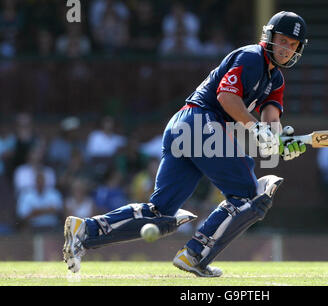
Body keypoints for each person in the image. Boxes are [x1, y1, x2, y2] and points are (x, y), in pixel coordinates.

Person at [63, 11, 308, 277]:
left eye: (293, 45)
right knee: (250, 197)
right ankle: (194, 255)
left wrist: (282, 143)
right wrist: (256, 128)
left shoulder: (277, 79)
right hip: (199, 122)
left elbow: (270, 121)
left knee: (161, 214)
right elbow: (226, 97)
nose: (286, 49)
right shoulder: (251, 57)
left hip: (186, 128)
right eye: (282, 41)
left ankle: (84, 231)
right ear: (269, 37)